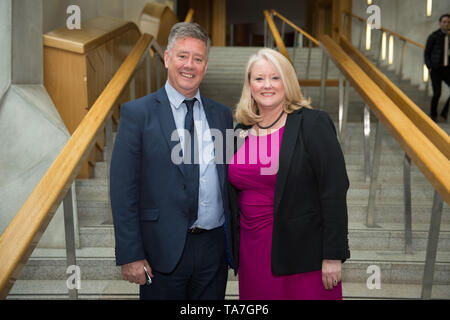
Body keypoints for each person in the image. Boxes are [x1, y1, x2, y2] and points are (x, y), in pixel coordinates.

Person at [110, 22, 234, 300]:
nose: (189, 65)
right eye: (182, 56)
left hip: (213, 251)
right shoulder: (137, 113)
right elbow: (123, 189)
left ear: (205, 64)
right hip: (160, 252)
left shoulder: (221, 115)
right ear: (167, 58)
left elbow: (227, 180)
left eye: (198, 58)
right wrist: (131, 253)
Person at [228, 48, 350, 300]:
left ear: (288, 82)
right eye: (259, 78)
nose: (267, 85)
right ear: (249, 85)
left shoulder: (312, 124)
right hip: (252, 251)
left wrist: (333, 255)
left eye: (275, 77)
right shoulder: (239, 132)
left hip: (304, 254)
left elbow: (334, 190)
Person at [425, 13, 450, 122]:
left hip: (448, 69)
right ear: (440, 23)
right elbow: (427, 53)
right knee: (437, 93)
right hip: (436, 69)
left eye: (449, 22)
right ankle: (433, 115)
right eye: (444, 22)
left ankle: (444, 112)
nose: (447, 24)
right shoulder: (433, 36)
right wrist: (429, 66)